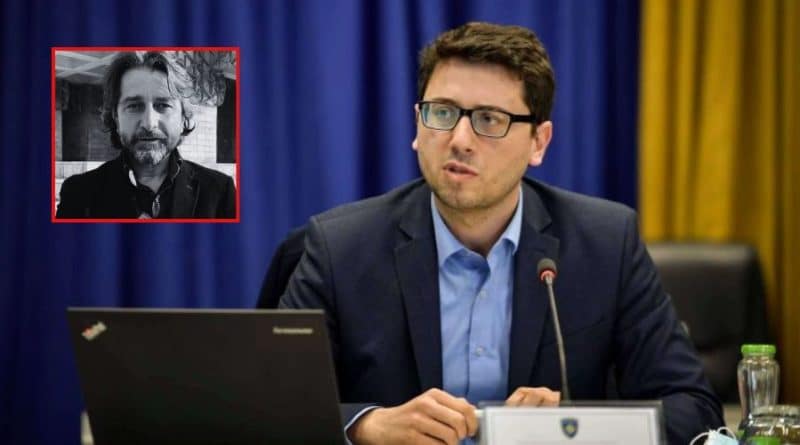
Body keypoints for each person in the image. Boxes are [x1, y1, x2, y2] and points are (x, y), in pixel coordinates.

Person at [279, 22, 723, 444]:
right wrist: (365, 427)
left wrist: (572, 429)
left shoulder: (606, 245)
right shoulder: (339, 249)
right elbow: (271, 406)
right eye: (442, 113)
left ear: (538, 142)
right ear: (417, 125)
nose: (459, 139)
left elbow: (695, 409)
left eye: (490, 119)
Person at [56, 51, 235, 219]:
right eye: (134, 106)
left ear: (183, 118)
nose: (149, 123)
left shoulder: (220, 192)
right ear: (116, 118)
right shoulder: (78, 194)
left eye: (163, 105)